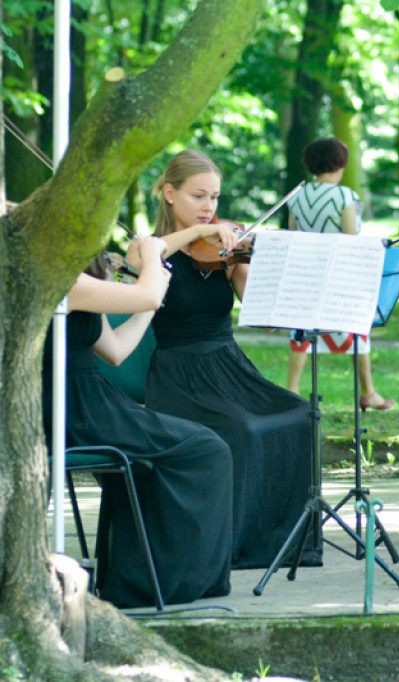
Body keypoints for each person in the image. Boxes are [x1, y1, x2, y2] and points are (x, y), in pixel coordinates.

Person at [127, 149, 319, 570]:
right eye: (199, 196)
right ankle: (231, 547)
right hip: (180, 374)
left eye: (214, 198)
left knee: (302, 413)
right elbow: (146, 254)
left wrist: (253, 266)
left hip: (229, 366)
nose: (210, 208)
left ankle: (283, 543)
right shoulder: (146, 249)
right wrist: (200, 235)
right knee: (242, 428)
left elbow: (264, 318)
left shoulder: (224, 253)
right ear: (170, 194)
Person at [43, 237, 233, 608]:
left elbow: (114, 351)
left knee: (191, 448)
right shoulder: (59, 282)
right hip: (69, 405)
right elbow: (144, 293)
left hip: (91, 399)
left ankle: (141, 577)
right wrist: (151, 250)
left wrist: (153, 303)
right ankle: (164, 581)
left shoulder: (78, 281)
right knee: (206, 449)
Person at [284, 137, 393, 410]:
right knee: (357, 328)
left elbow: (293, 234)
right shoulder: (345, 196)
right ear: (340, 164)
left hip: (307, 274)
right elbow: (350, 235)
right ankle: (368, 392)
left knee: (301, 332)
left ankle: (292, 391)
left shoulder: (297, 195)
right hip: (339, 275)